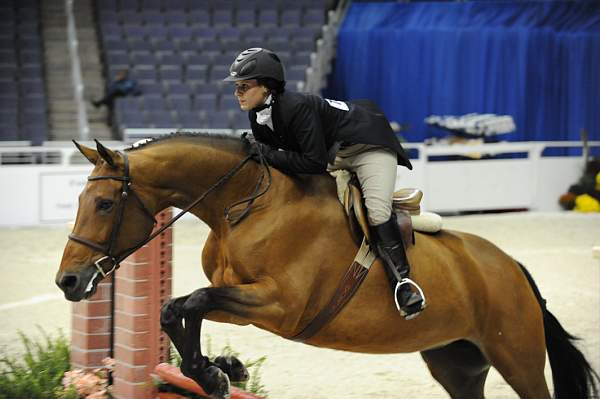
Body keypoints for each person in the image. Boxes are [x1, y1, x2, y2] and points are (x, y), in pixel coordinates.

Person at [223, 48, 425, 319]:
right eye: (237, 87)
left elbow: (312, 164)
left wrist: (265, 152)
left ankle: (403, 283)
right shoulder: (256, 114)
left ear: (267, 86)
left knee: (376, 211)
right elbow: (276, 162)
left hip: (366, 147)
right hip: (334, 154)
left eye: (244, 86)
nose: (238, 93)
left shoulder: (296, 106)